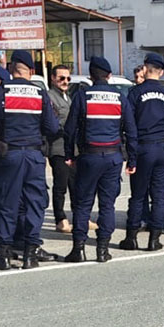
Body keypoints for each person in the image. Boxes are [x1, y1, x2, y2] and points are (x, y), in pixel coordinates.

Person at [0, 52, 61, 270]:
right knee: (34, 202)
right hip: (34, 155)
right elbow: (53, 127)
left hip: (9, 155)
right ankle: (30, 253)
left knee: (7, 202)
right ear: (31, 71)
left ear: (11, 69)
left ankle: (3, 254)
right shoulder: (40, 93)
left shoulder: (0, 92)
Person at [62, 57, 138, 263]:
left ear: (91, 76)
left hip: (89, 157)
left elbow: (70, 130)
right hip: (113, 157)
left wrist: (69, 154)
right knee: (107, 205)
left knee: (83, 204)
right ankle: (102, 250)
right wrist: (132, 160)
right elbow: (131, 131)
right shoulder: (120, 97)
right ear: (109, 75)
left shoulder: (82, 96)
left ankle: (78, 249)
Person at [120, 54, 164, 251]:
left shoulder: (135, 93)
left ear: (146, 69)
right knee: (159, 194)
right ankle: (155, 239)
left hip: (143, 147)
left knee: (138, 194)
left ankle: (131, 237)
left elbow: (127, 124)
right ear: (162, 72)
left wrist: (130, 156)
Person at [45, 64, 76, 233]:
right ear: (52, 78)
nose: (65, 81)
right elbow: (53, 123)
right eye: (61, 78)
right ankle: (60, 219)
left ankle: (79, 217)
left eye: (68, 78)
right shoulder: (50, 97)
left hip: (70, 148)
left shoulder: (66, 97)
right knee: (61, 185)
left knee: (75, 184)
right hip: (57, 148)